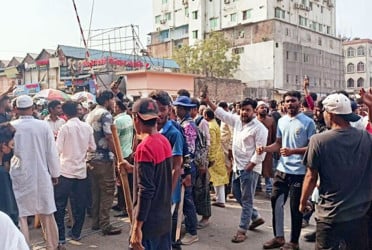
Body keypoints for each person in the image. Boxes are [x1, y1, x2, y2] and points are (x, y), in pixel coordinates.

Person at [300, 93, 372, 250]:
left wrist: (303, 202)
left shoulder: (318, 140)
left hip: (330, 215)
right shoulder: (366, 137)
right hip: (360, 215)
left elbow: (311, 177)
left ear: (330, 114)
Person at [202, 96, 268, 244]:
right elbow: (222, 114)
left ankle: (242, 230)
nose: (244, 112)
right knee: (237, 194)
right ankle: (256, 217)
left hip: (250, 169)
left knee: (247, 199)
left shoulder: (260, 128)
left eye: (248, 110)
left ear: (254, 111)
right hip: (238, 166)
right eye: (242, 109)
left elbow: (260, 151)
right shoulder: (238, 120)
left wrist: (250, 166)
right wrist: (208, 101)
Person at [257, 91, 316, 250]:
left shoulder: (308, 122)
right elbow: (278, 143)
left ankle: (294, 242)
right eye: (287, 101)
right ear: (283, 104)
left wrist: (293, 151)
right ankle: (279, 237)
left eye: (293, 101)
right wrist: (266, 149)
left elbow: (312, 147)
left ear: (299, 102)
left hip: (299, 172)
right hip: (282, 170)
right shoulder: (282, 121)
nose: (290, 104)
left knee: (296, 207)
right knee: (276, 202)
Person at [120, 98, 173, 250]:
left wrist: (137, 228)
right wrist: (132, 168)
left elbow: (146, 190)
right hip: (164, 219)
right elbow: (157, 175)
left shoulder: (145, 148)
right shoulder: (164, 141)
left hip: (149, 224)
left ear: (135, 118)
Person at [10, 95, 60, 249]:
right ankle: (52, 245)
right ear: (33, 108)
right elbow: (51, 152)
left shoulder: (11, 126)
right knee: (47, 211)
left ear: (17, 109)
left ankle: (24, 246)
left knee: (22, 214)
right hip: (41, 173)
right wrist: (55, 173)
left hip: (18, 173)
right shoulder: (43, 126)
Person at [54, 101, 96, 246]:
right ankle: (76, 232)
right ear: (77, 111)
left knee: (59, 205)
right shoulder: (87, 127)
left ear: (65, 113)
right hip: (81, 171)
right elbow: (93, 147)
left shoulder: (64, 128)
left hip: (65, 170)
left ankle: (60, 236)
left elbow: (57, 150)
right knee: (80, 204)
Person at [148, 90, 185, 248]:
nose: (159, 114)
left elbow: (177, 167)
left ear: (169, 109)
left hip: (166, 193)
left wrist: (167, 194)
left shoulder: (173, 133)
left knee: (164, 233)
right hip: (152, 191)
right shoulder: (148, 130)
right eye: (155, 109)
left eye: (162, 109)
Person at [86, 90, 122, 235]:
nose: (114, 103)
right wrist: (118, 156)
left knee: (95, 192)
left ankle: (96, 222)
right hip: (104, 159)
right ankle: (105, 225)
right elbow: (109, 137)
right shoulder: (105, 114)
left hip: (91, 158)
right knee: (107, 191)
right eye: (113, 100)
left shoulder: (90, 114)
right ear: (107, 100)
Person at [172, 95, 199, 245]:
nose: (175, 110)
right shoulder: (180, 123)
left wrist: (186, 172)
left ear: (183, 109)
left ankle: (192, 231)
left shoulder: (187, 126)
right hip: (183, 166)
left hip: (186, 167)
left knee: (187, 200)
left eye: (177, 107)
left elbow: (188, 151)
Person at [190, 97, 211, 229]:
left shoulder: (201, 122)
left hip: (201, 162)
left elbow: (206, 143)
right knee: (195, 191)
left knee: (203, 190)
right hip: (194, 161)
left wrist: (204, 163)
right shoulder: (190, 122)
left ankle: (206, 217)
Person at [203, 108, 229, 207]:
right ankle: (219, 198)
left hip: (214, 155)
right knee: (218, 178)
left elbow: (212, 143)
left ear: (206, 116)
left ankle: (220, 200)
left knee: (217, 178)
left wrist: (211, 157)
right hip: (218, 153)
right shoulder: (214, 124)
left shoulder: (211, 126)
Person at [112, 100, 134, 217]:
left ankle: (124, 207)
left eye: (115, 106)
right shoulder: (129, 118)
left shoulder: (117, 121)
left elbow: (115, 139)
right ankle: (123, 204)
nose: (114, 108)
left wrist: (115, 156)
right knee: (127, 181)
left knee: (121, 181)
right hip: (128, 151)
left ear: (119, 108)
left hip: (121, 153)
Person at [256, 101, 277, 198]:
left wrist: (273, 147)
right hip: (255, 149)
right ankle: (257, 187)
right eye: (261, 107)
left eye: (265, 107)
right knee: (256, 169)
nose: (264, 109)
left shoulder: (271, 120)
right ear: (257, 110)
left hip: (268, 149)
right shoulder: (254, 121)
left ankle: (269, 189)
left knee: (268, 170)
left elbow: (274, 135)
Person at [0, 123, 18, 225]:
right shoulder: (2, 174)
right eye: (11, 145)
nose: (12, 148)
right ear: (3, 145)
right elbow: (9, 210)